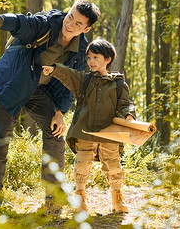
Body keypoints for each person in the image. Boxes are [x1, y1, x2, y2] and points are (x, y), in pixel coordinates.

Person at [0, 0, 101, 211]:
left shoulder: (82, 50)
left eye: (77, 24)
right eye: (70, 18)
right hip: (11, 82)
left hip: (39, 91)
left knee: (56, 132)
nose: (70, 25)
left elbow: (70, 83)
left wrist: (59, 111)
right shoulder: (46, 24)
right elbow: (21, 23)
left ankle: (53, 198)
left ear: (86, 29)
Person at [42, 38, 136, 213]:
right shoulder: (84, 81)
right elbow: (68, 74)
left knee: (114, 166)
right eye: (89, 57)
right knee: (82, 166)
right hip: (84, 133)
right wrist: (54, 69)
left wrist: (129, 116)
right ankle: (80, 197)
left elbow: (125, 104)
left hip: (109, 135)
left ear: (107, 59)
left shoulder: (119, 84)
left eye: (96, 57)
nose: (91, 62)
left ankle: (117, 199)